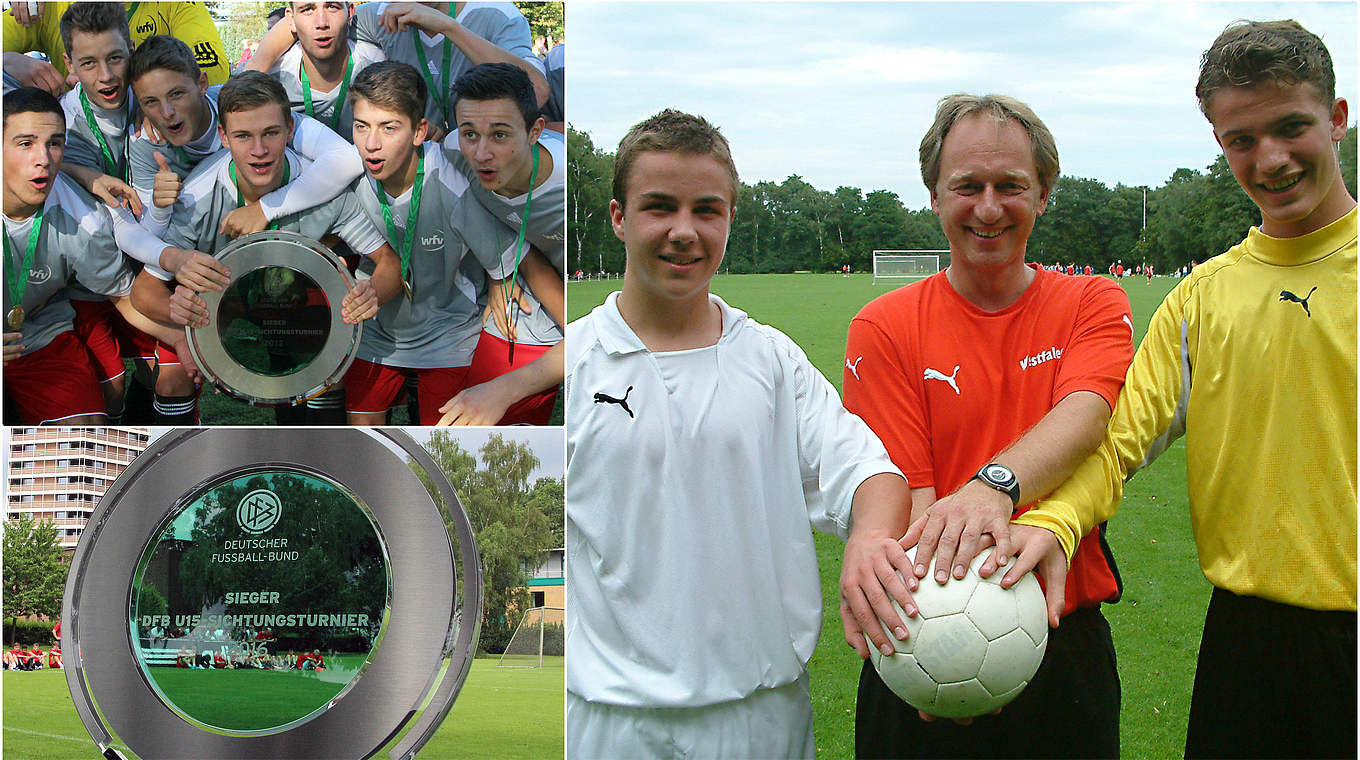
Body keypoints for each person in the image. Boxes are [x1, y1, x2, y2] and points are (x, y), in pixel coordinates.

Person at [1005, 20, 1355, 759]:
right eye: (1240, 139)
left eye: (1291, 127)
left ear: (1338, 119)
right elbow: (1120, 441)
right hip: (1244, 645)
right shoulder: (1202, 298)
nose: (1271, 158)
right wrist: (1057, 522)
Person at [565, 109, 909, 759]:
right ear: (617, 216)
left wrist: (868, 535)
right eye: (659, 207)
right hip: (609, 723)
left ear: (729, 218)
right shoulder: (572, 364)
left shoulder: (772, 362)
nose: (684, 232)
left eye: (708, 210)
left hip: (762, 720)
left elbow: (870, 471)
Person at [841, 94, 1133, 758]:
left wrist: (990, 486)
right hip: (921, 625)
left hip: (1064, 649)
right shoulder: (883, 326)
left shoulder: (1092, 301)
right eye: (967, 187)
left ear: (1044, 195)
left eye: (1011, 187)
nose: (989, 207)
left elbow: (1085, 416)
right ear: (935, 198)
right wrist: (938, 651)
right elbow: (909, 496)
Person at [130, 71, 401, 422]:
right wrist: (181, 313)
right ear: (224, 137)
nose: (259, 151)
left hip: (291, 309)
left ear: (290, 130)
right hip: (225, 306)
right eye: (243, 136)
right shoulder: (196, 197)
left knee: (320, 374)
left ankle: (309, 437)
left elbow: (390, 265)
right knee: (172, 377)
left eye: (270, 133)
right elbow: (144, 292)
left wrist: (371, 295)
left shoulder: (324, 188)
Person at [340, 61, 555, 424]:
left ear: (420, 131)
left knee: (444, 443)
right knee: (362, 436)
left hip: (448, 337)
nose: (372, 144)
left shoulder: (456, 185)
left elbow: (506, 257)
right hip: (375, 332)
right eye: (362, 127)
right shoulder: (346, 177)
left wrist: (500, 281)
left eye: (389, 128)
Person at [3, 85, 195, 424]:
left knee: (85, 435)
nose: (43, 159)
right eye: (25, 143)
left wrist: (179, 339)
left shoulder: (84, 219)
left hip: (36, 336)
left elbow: (122, 298)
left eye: (54, 143)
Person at [437, 62, 565, 425]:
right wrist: (500, 272)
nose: (480, 154)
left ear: (534, 131)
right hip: (516, 294)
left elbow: (590, 331)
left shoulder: (568, 194)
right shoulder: (453, 152)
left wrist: (502, 391)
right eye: (470, 133)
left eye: (500, 135)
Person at [248, 1, 548, 138]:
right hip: (421, 159)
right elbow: (310, 22)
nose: (322, 17)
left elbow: (536, 91)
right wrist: (253, 74)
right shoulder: (379, 14)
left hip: (482, 153)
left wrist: (448, 27)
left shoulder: (498, 13)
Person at [3, 1, 230, 95]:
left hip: (155, 137)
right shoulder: (46, 6)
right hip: (75, 139)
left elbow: (212, 77)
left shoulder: (176, 5)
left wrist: (143, 100)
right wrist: (7, 62)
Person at [247, 2, 386, 141]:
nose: (321, 22)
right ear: (291, 20)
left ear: (350, 13)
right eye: (307, 9)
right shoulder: (268, 76)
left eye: (332, 7)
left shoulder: (380, 68)